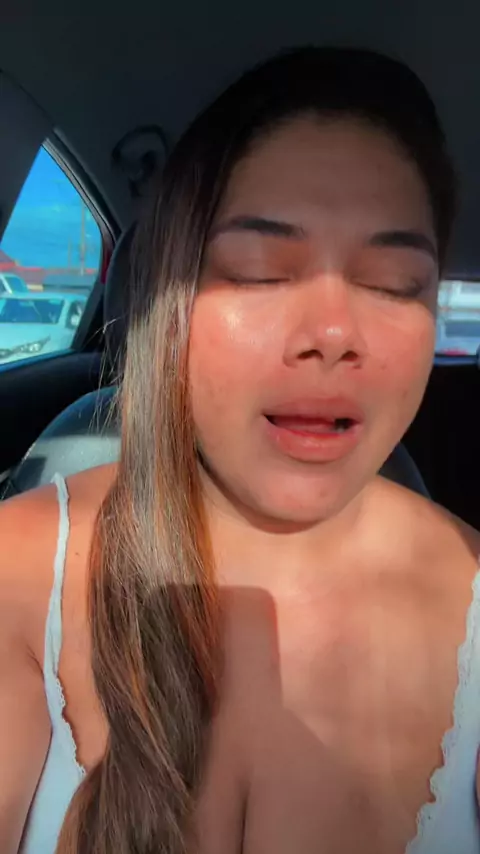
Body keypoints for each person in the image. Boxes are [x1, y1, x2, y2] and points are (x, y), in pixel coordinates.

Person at [1, 45, 479, 854]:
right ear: (171, 298)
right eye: (258, 273)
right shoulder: (18, 572)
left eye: (395, 284)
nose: (334, 333)